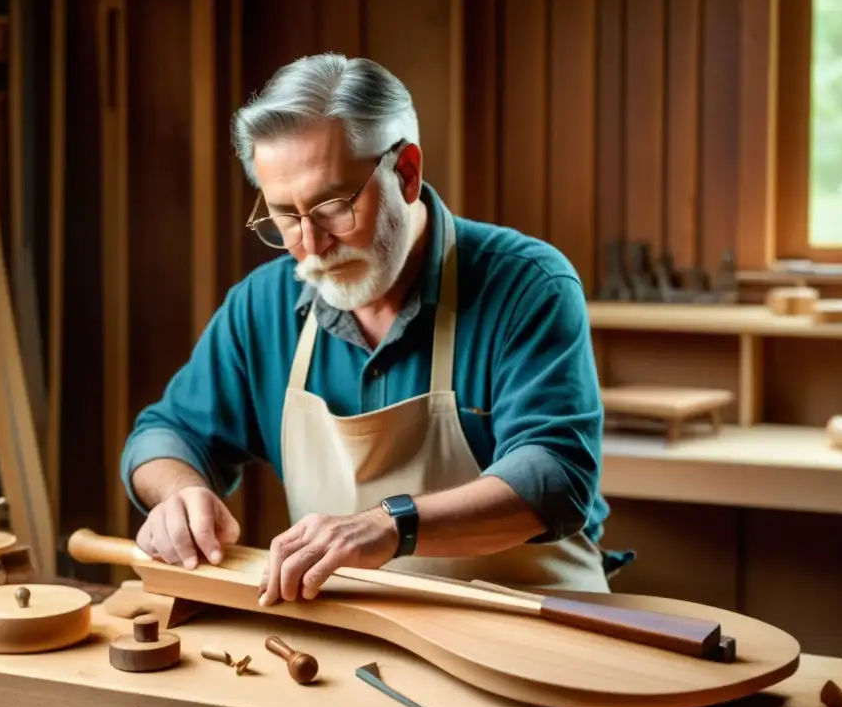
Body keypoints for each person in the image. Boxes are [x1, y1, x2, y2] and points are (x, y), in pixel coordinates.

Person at [121, 53, 633, 606]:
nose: (312, 246)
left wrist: (393, 525)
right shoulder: (262, 305)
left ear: (406, 173)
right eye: (286, 217)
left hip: (533, 622)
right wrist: (180, 493)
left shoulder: (528, 284)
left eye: (333, 206)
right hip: (358, 635)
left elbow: (554, 477)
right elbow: (166, 433)